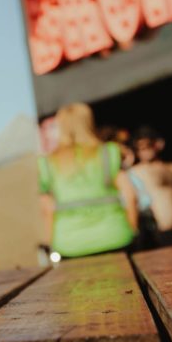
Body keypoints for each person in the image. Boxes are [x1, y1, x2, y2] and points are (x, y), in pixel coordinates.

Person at [38, 103, 138, 258]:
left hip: (70, 244)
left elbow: (47, 209)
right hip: (114, 236)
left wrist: (52, 243)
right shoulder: (109, 152)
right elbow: (130, 196)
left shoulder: (47, 163)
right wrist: (131, 230)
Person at [128, 126, 172, 248]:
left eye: (147, 146)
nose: (144, 151)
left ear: (158, 144)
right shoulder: (136, 172)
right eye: (139, 148)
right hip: (162, 232)